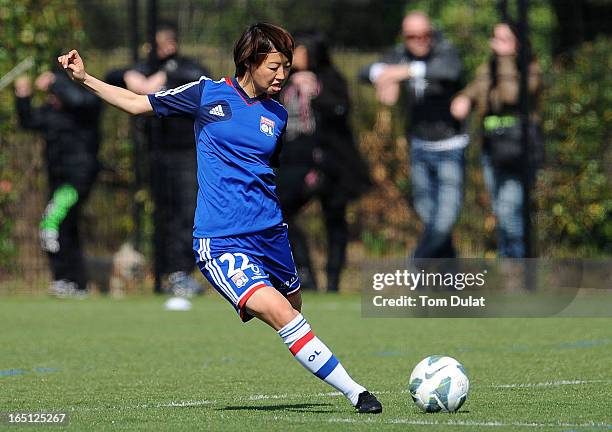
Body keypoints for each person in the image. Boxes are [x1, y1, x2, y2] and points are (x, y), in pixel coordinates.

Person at [57, 22, 382, 413]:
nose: (283, 75)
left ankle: (322, 358)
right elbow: (135, 102)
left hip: (272, 235)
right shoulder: (205, 94)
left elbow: (266, 173)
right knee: (281, 314)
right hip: (222, 240)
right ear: (249, 61)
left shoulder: (276, 116)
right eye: (274, 66)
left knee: (293, 309)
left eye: (287, 67)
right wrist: (84, 77)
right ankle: (357, 392)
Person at [108, 22, 210, 296]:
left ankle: (183, 273)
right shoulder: (144, 67)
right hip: (156, 154)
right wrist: (132, 76)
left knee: (187, 213)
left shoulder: (187, 68)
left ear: (171, 44)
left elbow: (203, 81)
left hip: (186, 152)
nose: (152, 50)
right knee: (163, 215)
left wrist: (166, 77)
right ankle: (167, 273)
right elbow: (112, 76)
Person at [359, 11, 467, 259]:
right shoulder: (401, 54)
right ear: (404, 37)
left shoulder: (445, 50)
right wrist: (385, 77)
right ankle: (449, 277)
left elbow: (448, 71)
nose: (419, 40)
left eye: (424, 34)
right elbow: (365, 71)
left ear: (431, 33)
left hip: (450, 146)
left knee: (445, 218)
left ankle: (417, 263)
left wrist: (403, 72)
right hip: (419, 147)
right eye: (412, 36)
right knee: (430, 219)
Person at [276, 32, 370, 292]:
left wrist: (315, 92)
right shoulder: (281, 81)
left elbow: (341, 110)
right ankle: (304, 271)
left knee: (335, 221)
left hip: (332, 165)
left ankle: (333, 280)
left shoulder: (331, 79)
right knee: (280, 214)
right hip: (294, 163)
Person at [451, 22, 542, 258]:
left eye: (505, 39)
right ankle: (508, 267)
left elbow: (511, 95)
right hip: (492, 147)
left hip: (518, 148)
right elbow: (475, 90)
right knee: (501, 213)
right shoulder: (487, 68)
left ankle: (521, 270)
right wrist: (463, 99)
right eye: (496, 38)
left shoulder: (528, 69)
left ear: (518, 43)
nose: (498, 44)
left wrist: (505, 59)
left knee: (510, 210)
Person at [14, 65, 102, 297]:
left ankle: (66, 278)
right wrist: (23, 97)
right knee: (66, 228)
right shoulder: (50, 112)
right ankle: (75, 282)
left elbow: (78, 99)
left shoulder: (83, 108)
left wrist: (54, 81)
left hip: (77, 179)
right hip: (58, 180)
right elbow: (29, 122)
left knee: (51, 222)